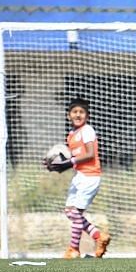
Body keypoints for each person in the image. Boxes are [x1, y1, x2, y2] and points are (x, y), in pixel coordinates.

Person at [45, 98, 111, 259]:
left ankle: (74, 249)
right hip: (79, 176)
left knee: (75, 212)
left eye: (81, 112)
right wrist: (53, 164)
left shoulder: (87, 130)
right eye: (75, 112)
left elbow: (89, 154)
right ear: (69, 115)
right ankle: (98, 236)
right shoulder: (71, 135)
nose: (78, 115)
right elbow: (72, 157)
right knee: (70, 212)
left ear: (87, 116)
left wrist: (68, 163)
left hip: (90, 176)